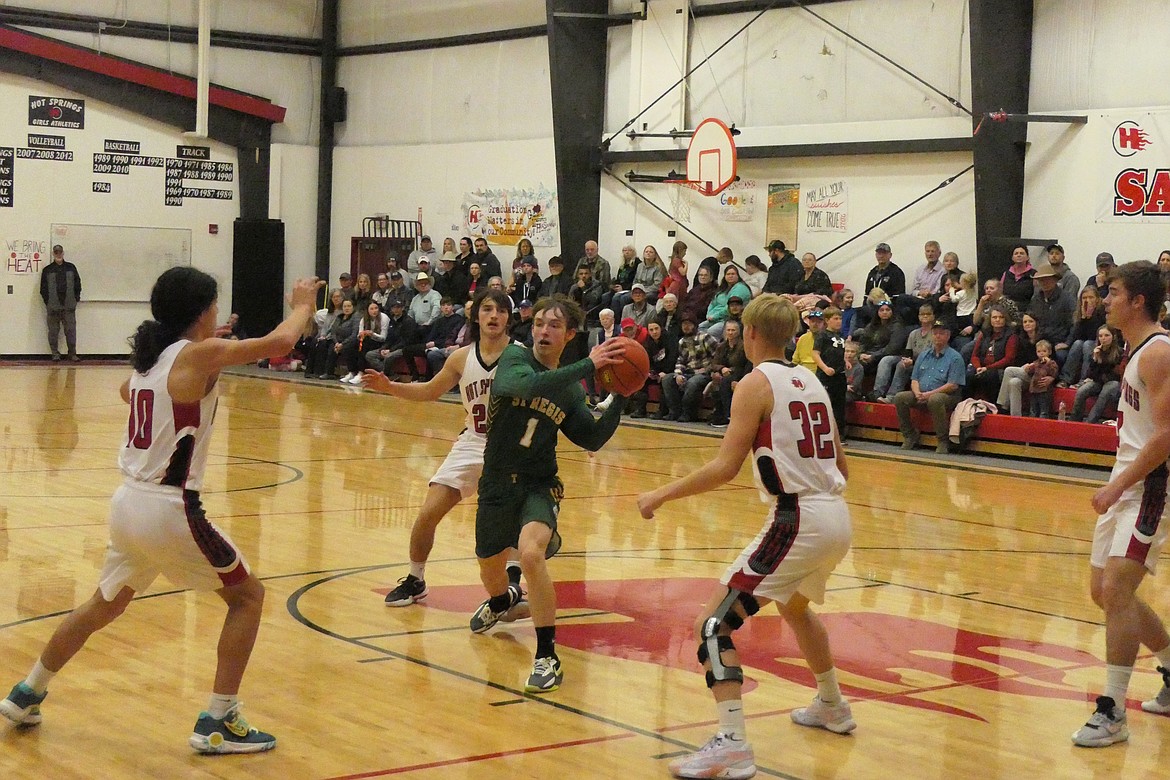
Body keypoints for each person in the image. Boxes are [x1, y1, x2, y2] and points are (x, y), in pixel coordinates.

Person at [0, 268, 322, 752]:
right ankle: (219, 718)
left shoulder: (150, 361)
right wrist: (302, 304)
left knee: (101, 605)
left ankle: (28, 691)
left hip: (127, 503)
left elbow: (130, 393)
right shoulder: (197, 354)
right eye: (213, 306)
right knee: (248, 598)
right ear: (202, 311)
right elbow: (279, 343)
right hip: (170, 507)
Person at [636, 294, 855, 780]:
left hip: (796, 518)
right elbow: (841, 464)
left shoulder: (755, 384)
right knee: (795, 606)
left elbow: (724, 468)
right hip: (837, 515)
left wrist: (659, 495)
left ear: (751, 333)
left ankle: (732, 744)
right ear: (793, 337)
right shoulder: (814, 381)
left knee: (713, 627)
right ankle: (833, 706)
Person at [468, 296, 628, 694]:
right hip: (496, 482)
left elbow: (590, 437)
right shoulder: (514, 359)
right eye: (539, 323)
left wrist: (623, 395)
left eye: (554, 326)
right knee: (489, 568)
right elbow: (517, 386)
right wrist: (589, 365)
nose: (543, 331)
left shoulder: (571, 390)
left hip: (540, 483)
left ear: (570, 334)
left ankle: (547, 656)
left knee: (531, 553)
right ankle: (503, 598)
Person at [359, 290, 530, 615]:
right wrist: (391, 387)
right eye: (487, 309)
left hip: (509, 447)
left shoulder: (521, 356)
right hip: (472, 442)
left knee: (514, 519)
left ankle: (513, 582)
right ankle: (415, 577)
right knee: (428, 513)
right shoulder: (461, 358)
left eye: (500, 310)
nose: (493, 316)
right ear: (477, 316)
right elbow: (429, 390)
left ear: (509, 318)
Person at [1070, 260, 1170, 748]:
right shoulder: (1135, 351)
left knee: (1117, 590)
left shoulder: (1158, 353)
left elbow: (1168, 437)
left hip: (1151, 487)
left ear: (1137, 301)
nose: (1103, 299)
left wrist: (1116, 487)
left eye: (1112, 292)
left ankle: (1112, 712)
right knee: (1103, 592)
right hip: (1127, 481)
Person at [893, 321, 965, 453]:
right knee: (900, 397)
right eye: (935, 333)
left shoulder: (955, 357)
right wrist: (917, 393)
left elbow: (952, 385)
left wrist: (929, 394)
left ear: (948, 336)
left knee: (935, 399)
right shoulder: (923, 355)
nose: (937, 336)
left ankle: (942, 440)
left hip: (948, 397)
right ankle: (909, 434)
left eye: (941, 333)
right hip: (922, 393)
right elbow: (914, 378)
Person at [1069, 326, 1124, 424]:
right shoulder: (1096, 352)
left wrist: (1102, 363)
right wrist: (1096, 359)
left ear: (1113, 337)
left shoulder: (1119, 353)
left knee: (1105, 392)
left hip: (1114, 383)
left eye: (1107, 335)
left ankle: (1090, 422)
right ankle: (1074, 420)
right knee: (1082, 391)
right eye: (1100, 336)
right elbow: (1091, 374)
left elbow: (1114, 374)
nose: (1103, 338)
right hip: (1099, 381)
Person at [40, 244, 82, 361]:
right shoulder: (47, 270)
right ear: (53, 254)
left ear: (63, 253)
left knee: (71, 331)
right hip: (53, 307)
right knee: (53, 332)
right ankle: (55, 354)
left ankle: (72, 354)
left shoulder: (71, 268)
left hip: (69, 306)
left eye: (60, 252)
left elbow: (77, 284)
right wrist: (48, 302)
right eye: (56, 252)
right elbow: (43, 289)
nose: (58, 254)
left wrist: (75, 299)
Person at [812, 307, 848, 435]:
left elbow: (840, 352)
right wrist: (825, 368)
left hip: (839, 375)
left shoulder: (841, 336)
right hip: (826, 376)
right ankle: (822, 431)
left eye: (840, 318)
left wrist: (846, 361)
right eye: (835, 319)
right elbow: (815, 354)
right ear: (827, 320)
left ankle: (839, 434)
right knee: (826, 403)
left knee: (840, 405)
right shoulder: (822, 335)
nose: (839, 321)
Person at [707, 320, 748, 428]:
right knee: (716, 379)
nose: (730, 333)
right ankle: (719, 414)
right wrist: (722, 368)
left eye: (733, 330)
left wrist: (736, 377)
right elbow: (714, 364)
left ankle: (728, 415)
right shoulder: (721, 346)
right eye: (728, 330)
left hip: (739, 374)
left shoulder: (744, 346)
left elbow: (745, 365)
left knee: (725, 382)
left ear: (738, 332)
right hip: (724, 374)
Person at [1024, 339, 1058, 418]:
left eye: (1044, 351)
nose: (1041, 353)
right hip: (1034, 390)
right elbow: (1030, 373)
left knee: (1044, 411)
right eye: (1039, 351)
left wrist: (1048, 363)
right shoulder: (1035, 363)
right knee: (1033, 410)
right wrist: (1028, 368)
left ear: (1049, 352)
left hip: (1045, 390)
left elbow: (1054, 372)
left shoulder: (1052, 363)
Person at [1000, 244, 1036, 309]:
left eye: (1022, 253)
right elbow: (1000, 293)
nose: (1019, 255)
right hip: (1007, 311)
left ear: (1027, 257)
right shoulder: (1006, 274)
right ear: (1012, 258)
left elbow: (1037, 296)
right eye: (1016, 253)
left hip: (1026, 311)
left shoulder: (1034, 274)